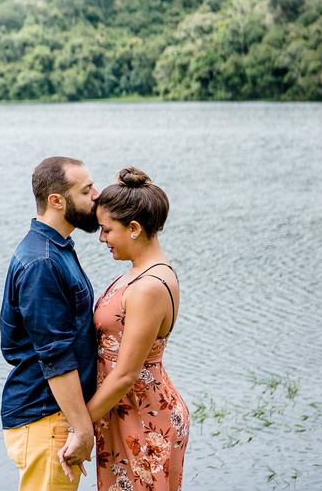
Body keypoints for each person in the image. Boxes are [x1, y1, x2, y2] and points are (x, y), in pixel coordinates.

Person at [76, 167, 189, 491]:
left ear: (135, 228)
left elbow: (126, 374)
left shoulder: (148, 286)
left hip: (144, 416)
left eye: (107, 230)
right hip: (126, 411)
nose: (101, 238)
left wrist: (80, 426)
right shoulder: (140, 272)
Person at [0, 156, 101, 490]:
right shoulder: (42, 261)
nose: (97, 196)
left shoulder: (56, 248)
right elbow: (54, 355)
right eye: (86, 190)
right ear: (57, 201)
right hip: (46, 415)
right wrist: (81, 427)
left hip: (55, 415)